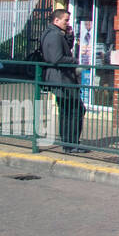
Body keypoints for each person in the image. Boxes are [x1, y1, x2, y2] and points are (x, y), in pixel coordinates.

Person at [42, 8, 87, 154]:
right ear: (56, 20)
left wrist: (69, 36)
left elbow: (63, 50)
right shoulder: (54, 35)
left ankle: (69, 143)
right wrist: (75, 60)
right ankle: (71, 144)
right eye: (65, 20)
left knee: (68, 111)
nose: (67, 23)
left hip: (60, 79)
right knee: (74, 111)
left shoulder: (53, 33)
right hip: (62, 79)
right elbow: (56, 58)